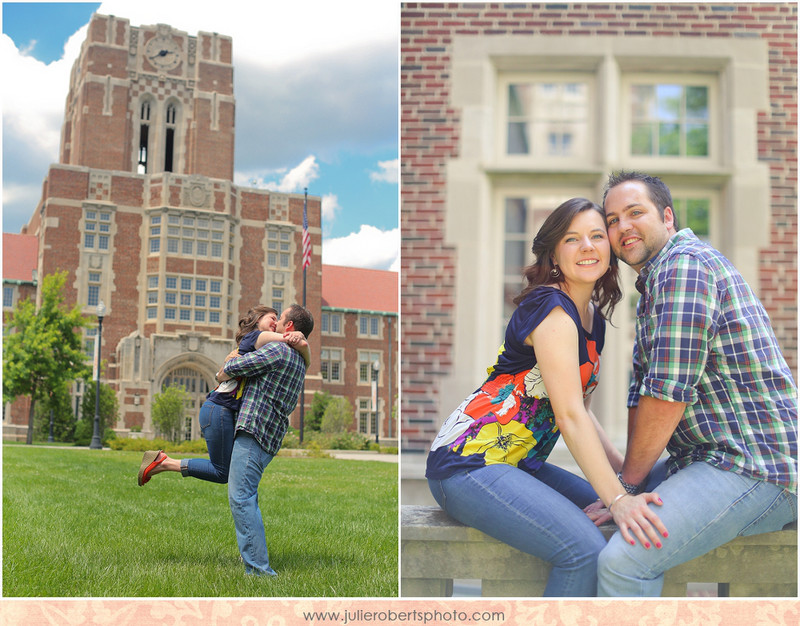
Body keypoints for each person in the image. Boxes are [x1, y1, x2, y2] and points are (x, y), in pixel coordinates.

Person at [426, 198, 667, 597]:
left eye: (595, 236)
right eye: (572, 239)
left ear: (609, 249)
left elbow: (583, 413)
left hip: (521, 464)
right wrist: (620, 497)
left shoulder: (591, 318)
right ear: (555, 254)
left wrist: (624, 478)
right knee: (585, 550)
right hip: (469, 464)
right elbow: (568, 415)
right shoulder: (550, 307)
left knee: (608, 517)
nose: (587, 246)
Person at [595, 170, 797, 596]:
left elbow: (667, 395)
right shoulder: (655, 284)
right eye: (612, 220)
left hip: (756, 467)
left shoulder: (684, 268)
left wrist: (628, 488)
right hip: (712, 458)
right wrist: (621, 484)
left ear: (667, 217)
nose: (622, 227)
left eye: (635, 212)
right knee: (598, 517)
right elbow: (643, 395)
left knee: (624, 560)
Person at [137, 306, 309, 486]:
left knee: (225, 472)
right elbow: (289, 341)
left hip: (221, 410)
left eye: (277, 319)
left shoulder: (262, 346)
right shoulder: (257, 337)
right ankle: (162, 462)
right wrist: (299, 338)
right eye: (272, 318)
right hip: (219, 409)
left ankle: (163, 462)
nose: (275, 323)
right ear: (258, 320)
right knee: (222, 472)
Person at [217, 303, 313, 576]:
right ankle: (254, 557)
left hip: (254, 431)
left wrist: (229, 362)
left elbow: (236, 366)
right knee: (248, 497)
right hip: (270, 437)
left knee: (241, 498)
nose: (277, 323)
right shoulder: (299, 360)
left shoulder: (279, 350)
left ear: (290, 326)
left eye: (280, 319)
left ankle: (259, 570)